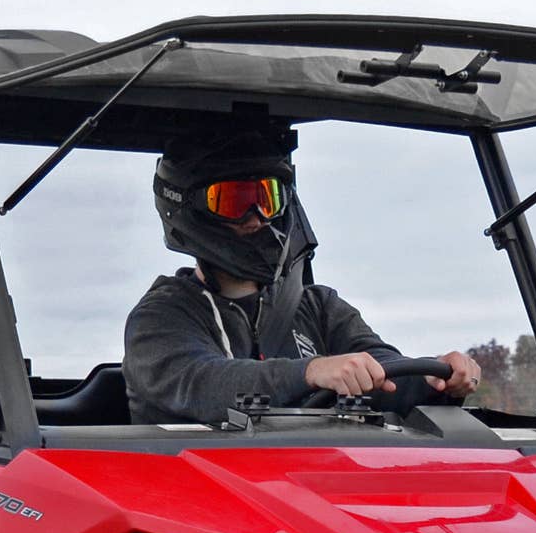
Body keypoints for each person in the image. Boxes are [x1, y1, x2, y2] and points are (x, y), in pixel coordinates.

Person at [122, 131, 481, 424]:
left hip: (304, 486)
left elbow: (382, 370)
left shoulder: (318, 307)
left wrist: (438, 379)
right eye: (234, 200)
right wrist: (312, 371)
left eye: (267, 198)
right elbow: (202, 383)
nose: (256, 217)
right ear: (191, 208)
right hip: (190, 498)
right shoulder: (160, 318)